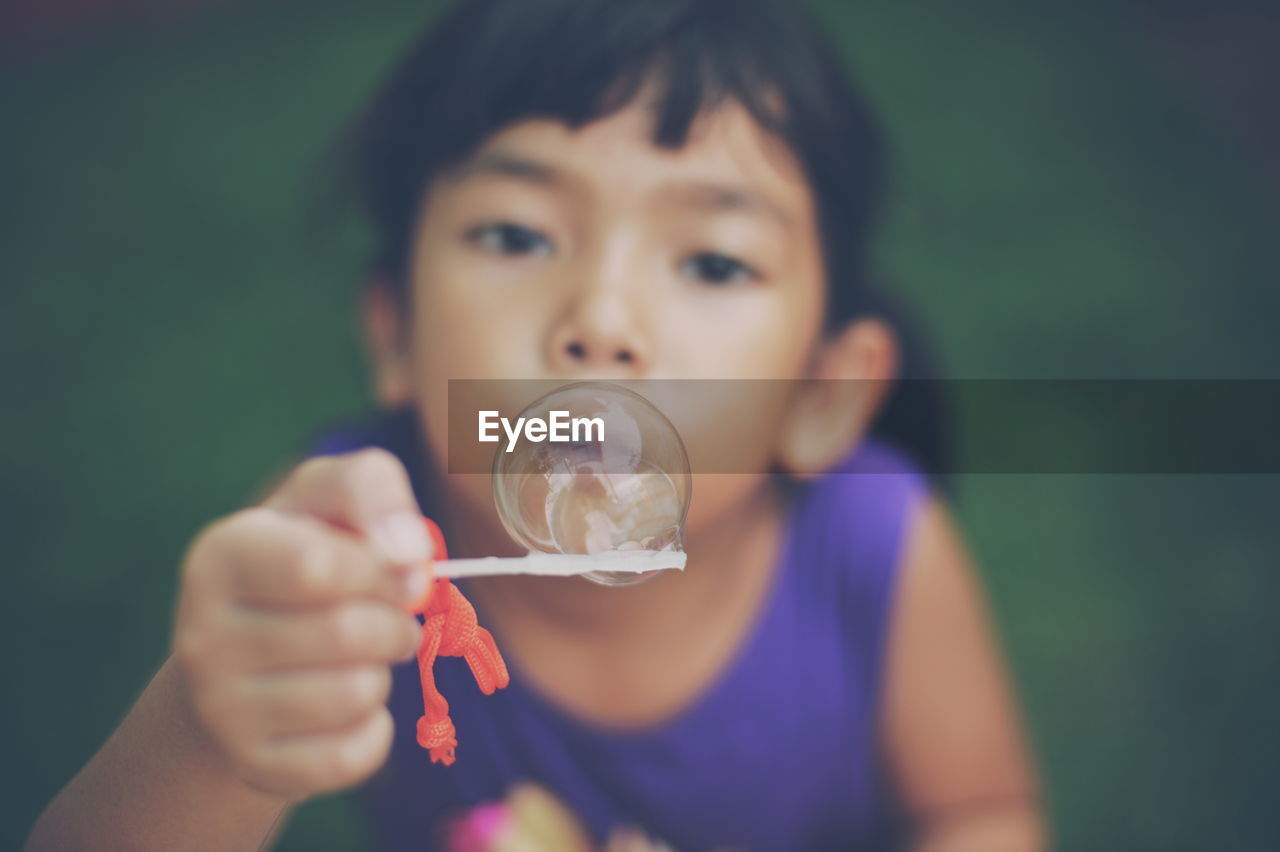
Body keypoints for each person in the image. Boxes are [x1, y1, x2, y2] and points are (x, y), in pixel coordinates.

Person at [27, 1, 1043, 849]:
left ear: (819, 398)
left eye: (712, 260)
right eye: (516, 234)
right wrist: (209, 738)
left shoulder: (874, 544)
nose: (600, 321)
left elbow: (981, 815)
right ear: (397, 338)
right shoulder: (354, 556)